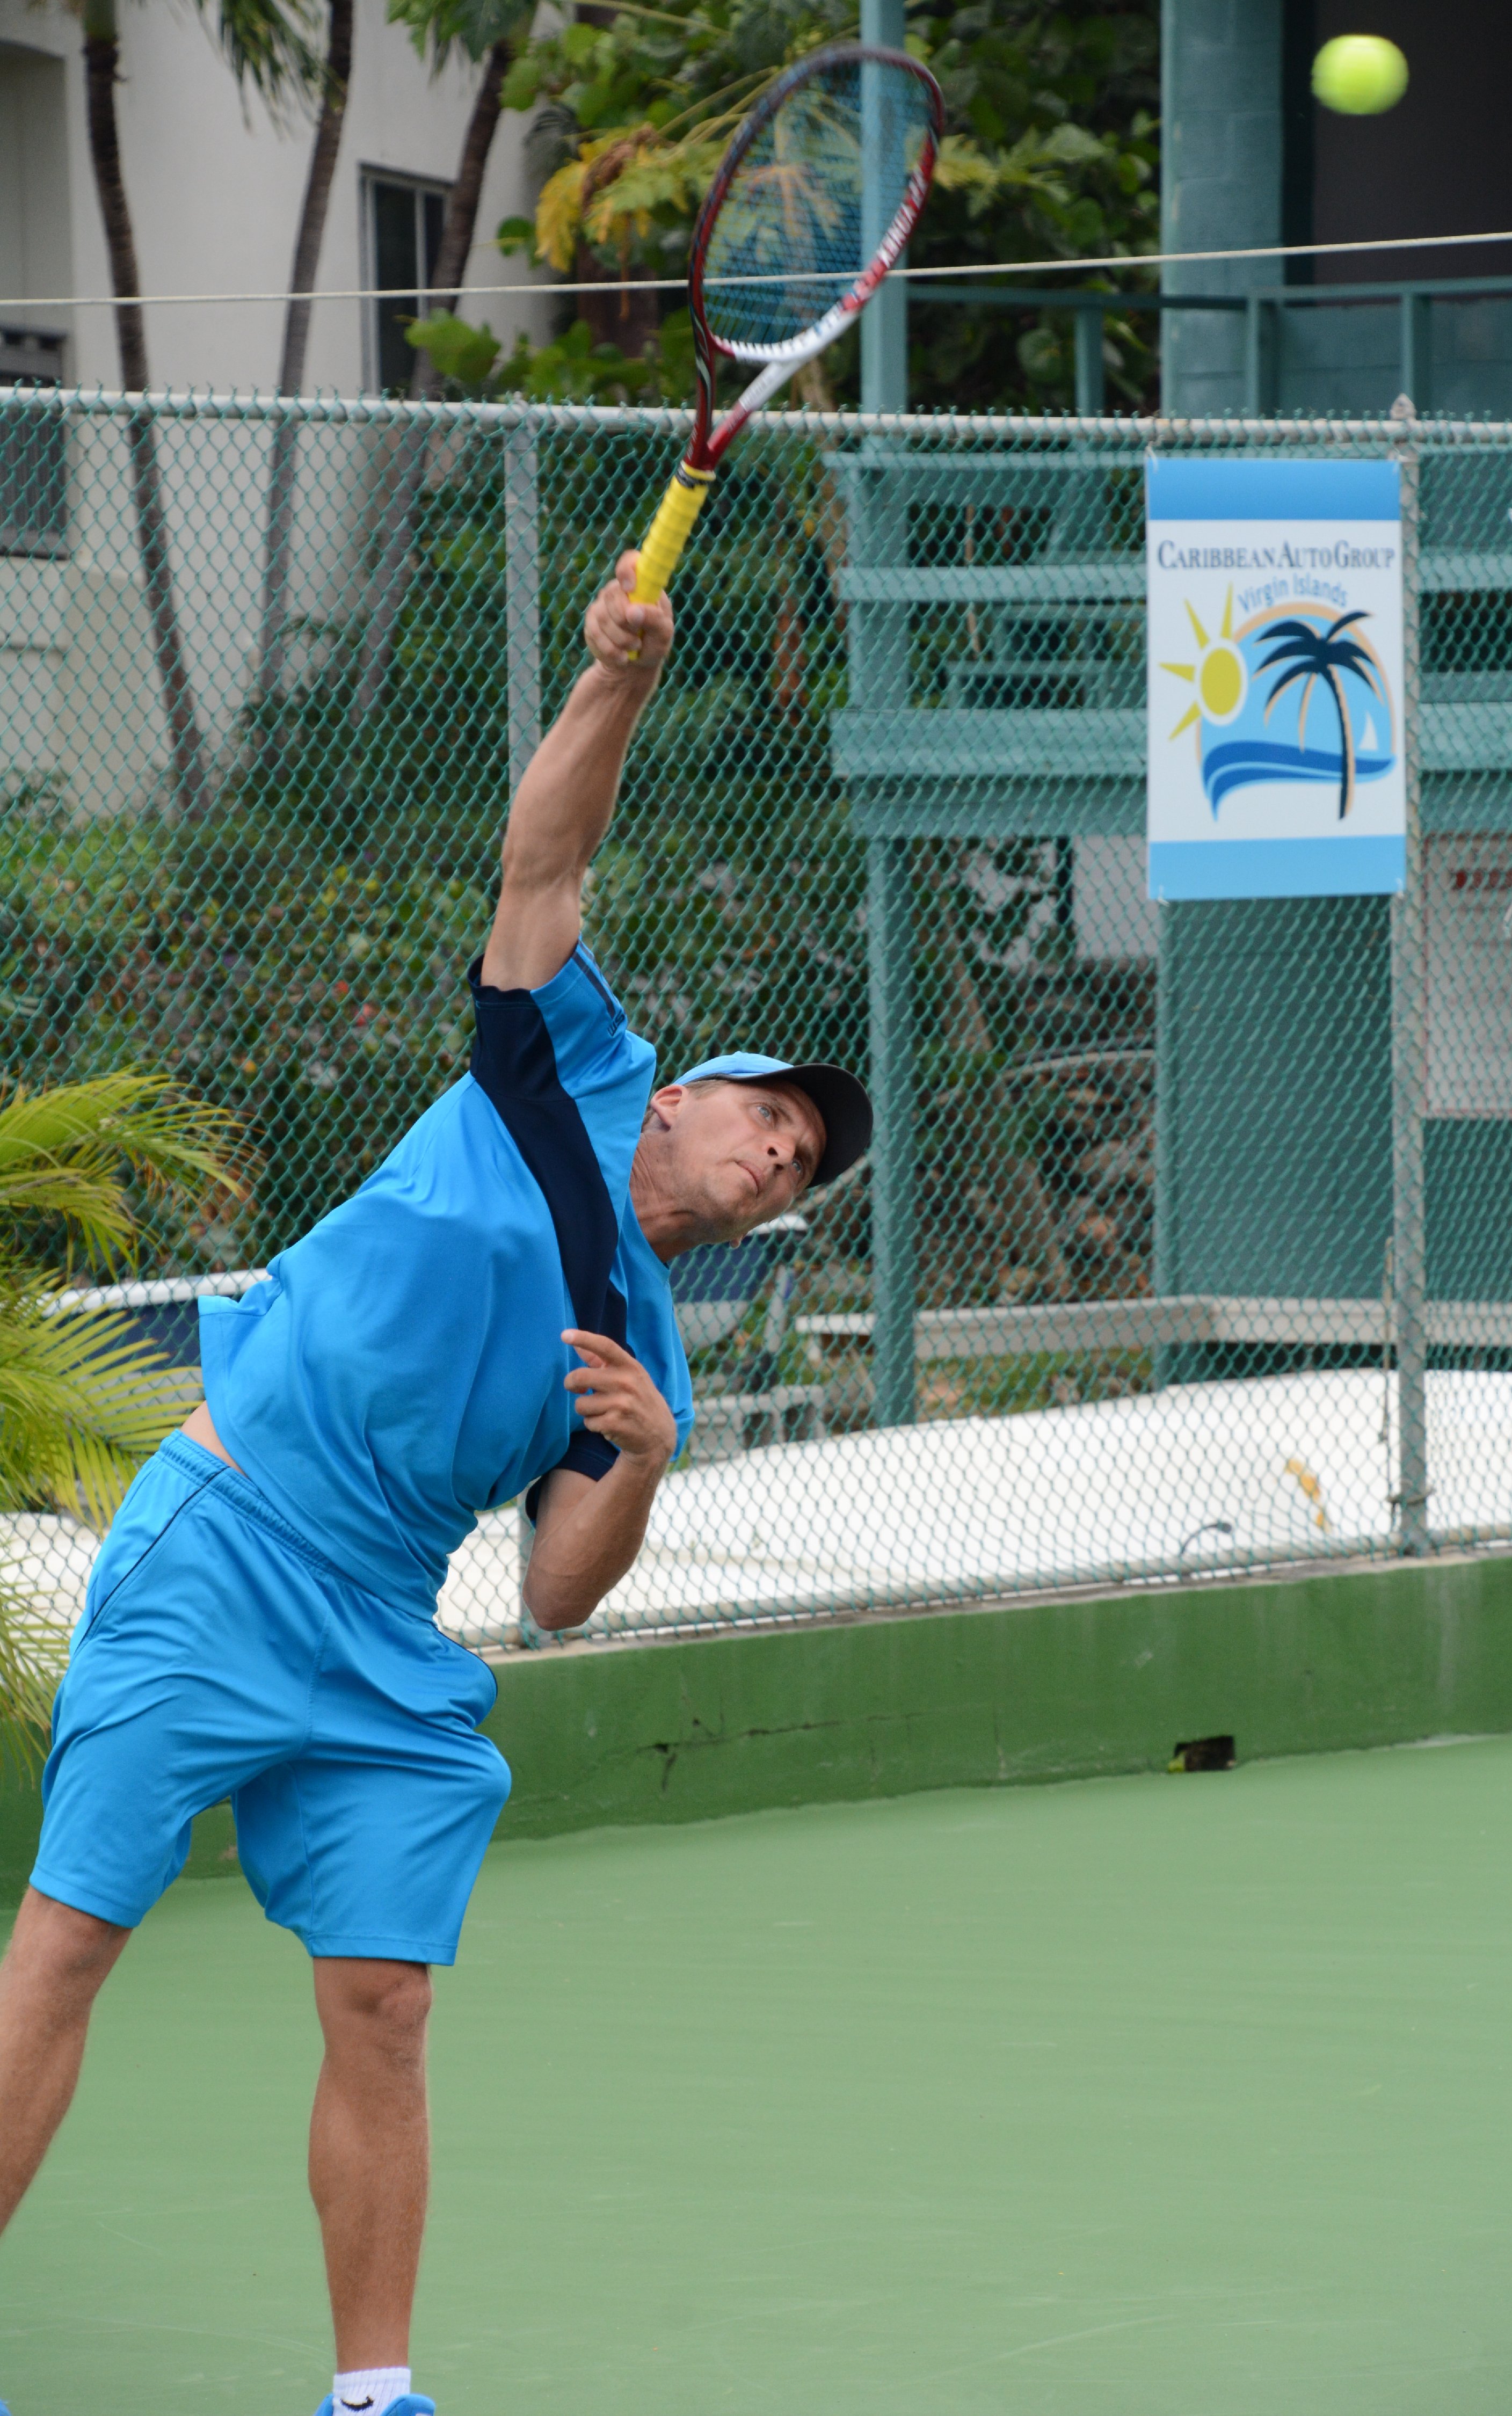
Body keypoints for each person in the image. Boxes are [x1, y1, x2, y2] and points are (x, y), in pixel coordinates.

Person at [0, 557, 871, 2416]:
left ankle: (374, 2393)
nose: (778, 1159)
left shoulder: (642, 1348)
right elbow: (542, 867)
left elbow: (557, 1592)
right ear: (690, 1097)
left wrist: (641, 1457)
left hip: (376, 1636)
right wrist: (614, 683)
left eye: (797, 1171)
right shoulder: (561, 1064)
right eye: (770, 1120)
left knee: (385, 2008)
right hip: (224, 1545)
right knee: (68, 1947)